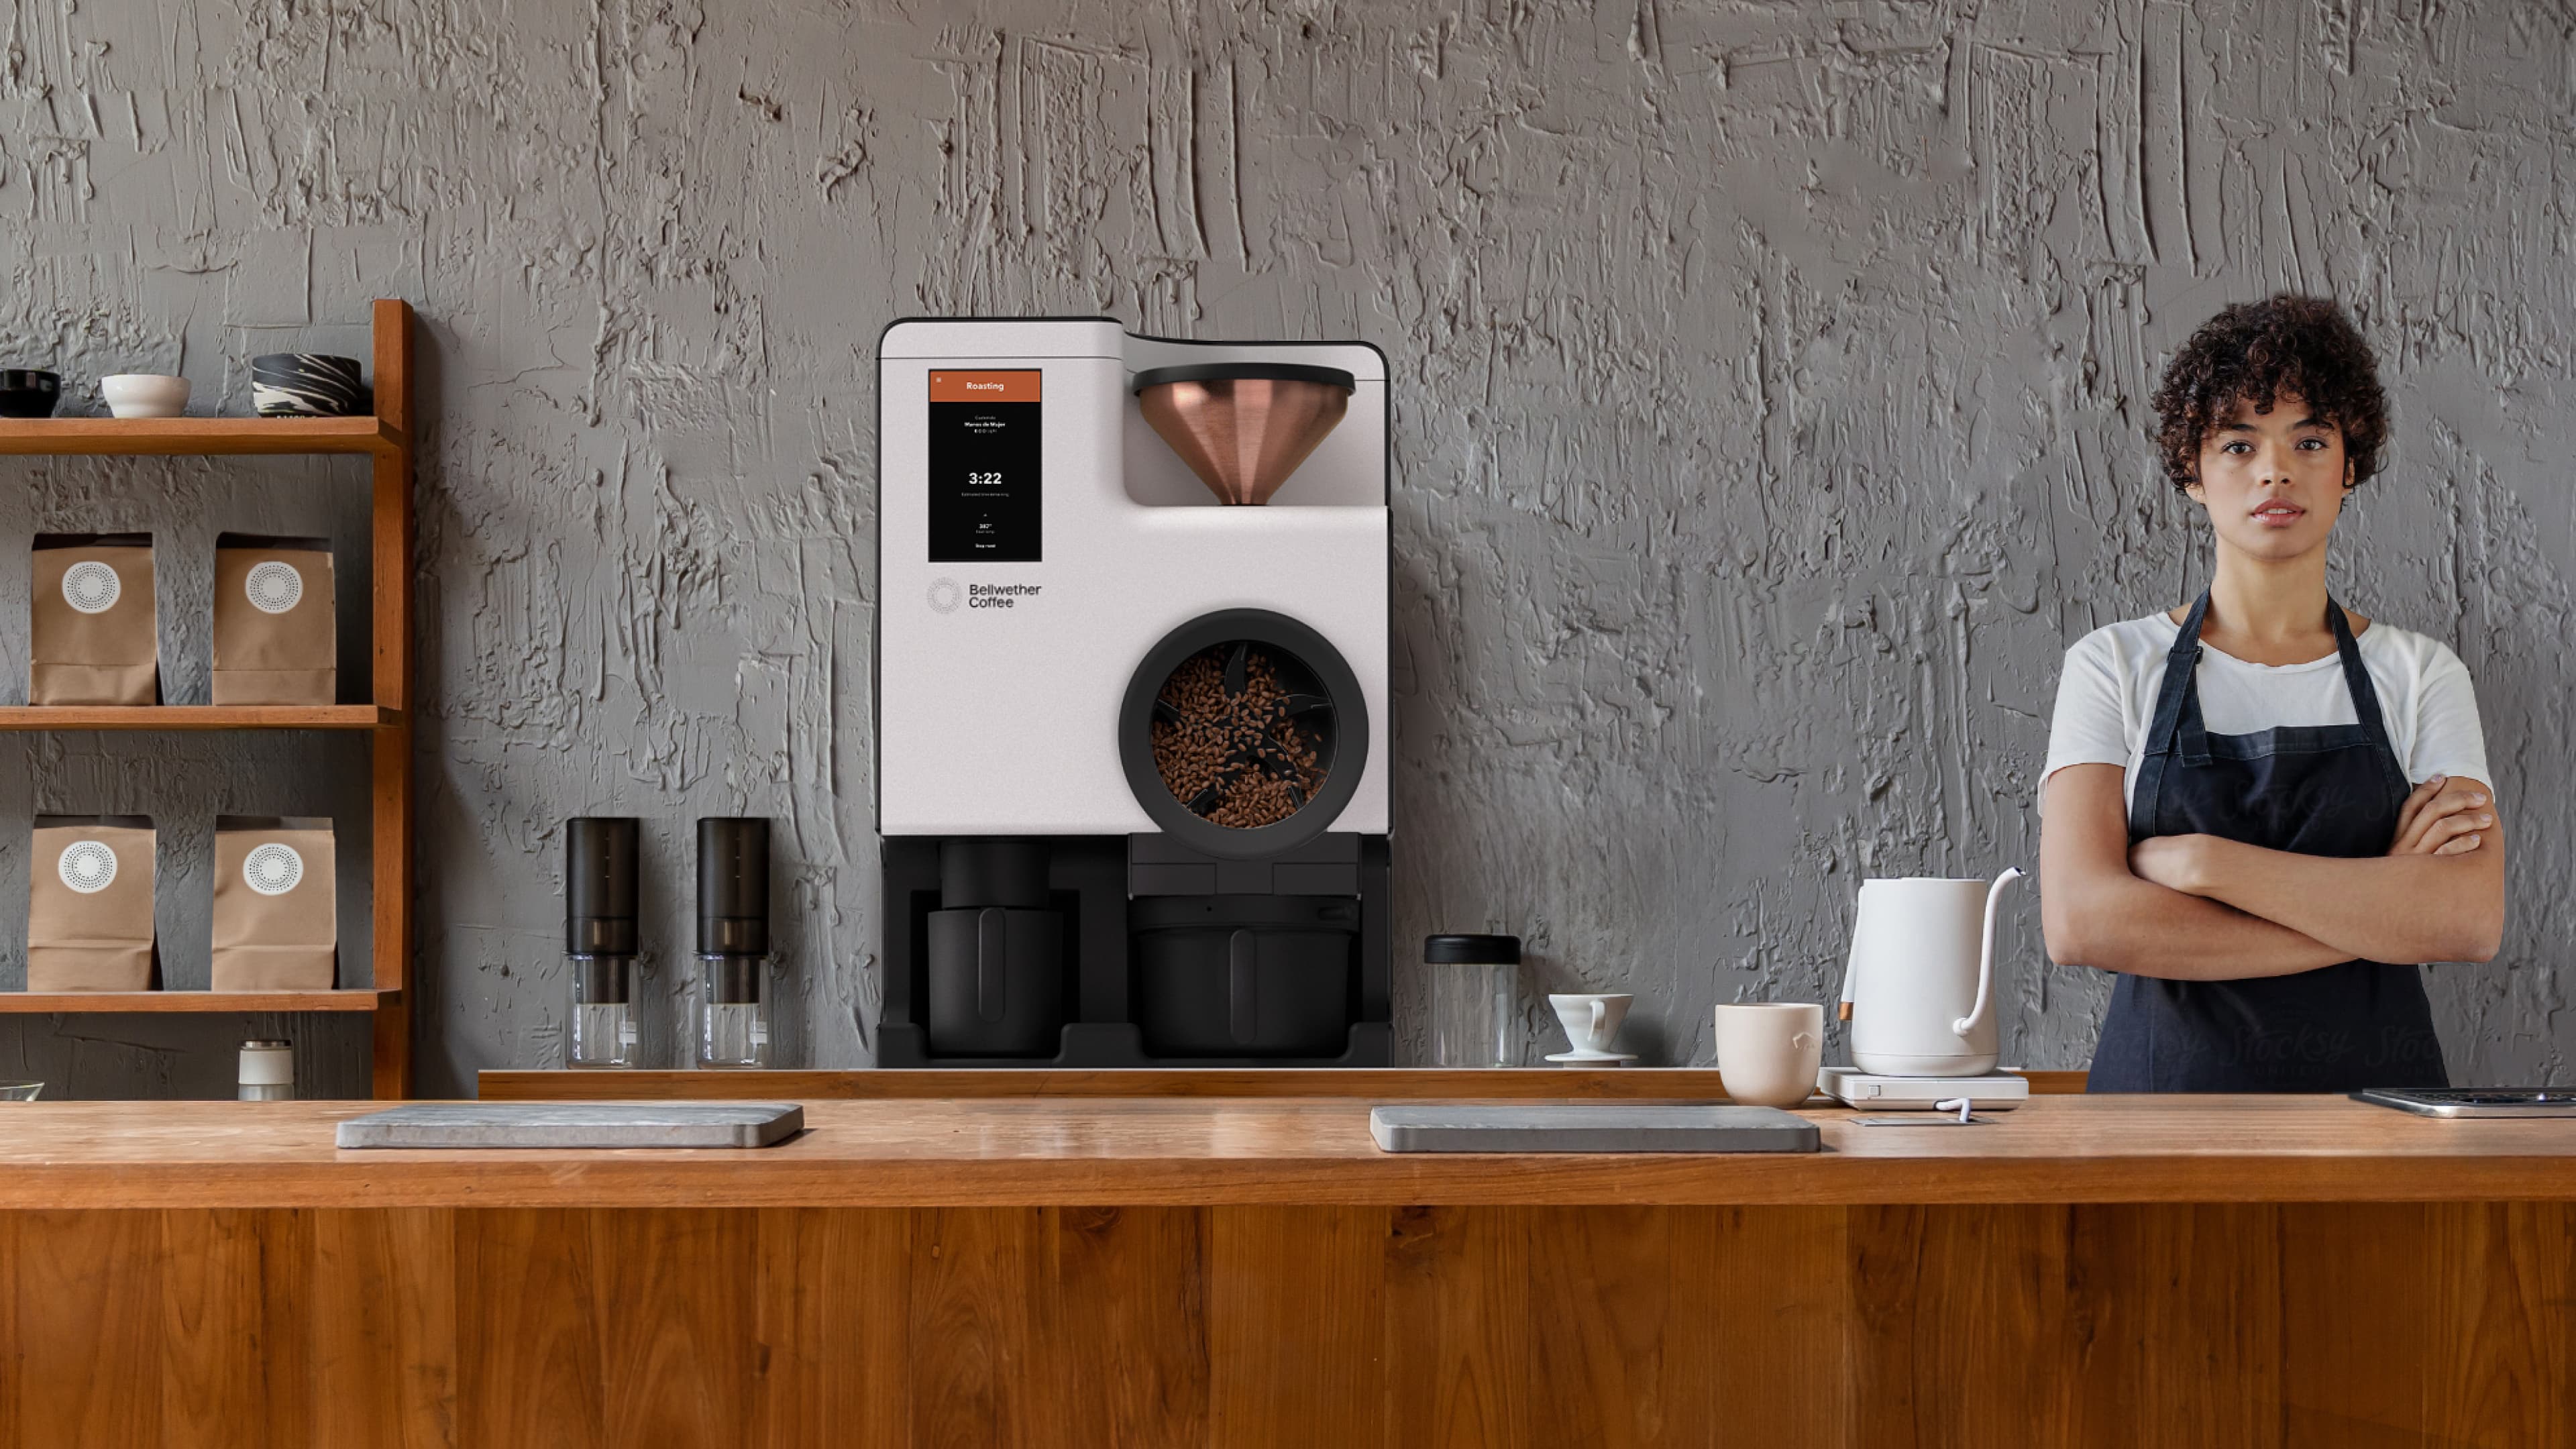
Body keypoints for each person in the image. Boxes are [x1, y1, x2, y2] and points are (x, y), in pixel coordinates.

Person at [2038, 294, 2504, 1093]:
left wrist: (2206, 863)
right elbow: (2083, 922)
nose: (2274, 470)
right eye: (2238, 444)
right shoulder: (2111, 664)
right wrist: (2375, 911)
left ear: (2348, 466)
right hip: (2153, 1132)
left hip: (2381, 1134)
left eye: (2310, 440)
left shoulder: (2423, 674)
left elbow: (2464, 920)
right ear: (2192, 472)